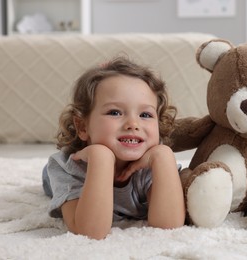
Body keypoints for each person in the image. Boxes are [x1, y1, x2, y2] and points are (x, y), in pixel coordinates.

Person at [42, 57, 185, 240]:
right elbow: (90, 232)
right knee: (48, 175)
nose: (133, 124)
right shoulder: (68, 167)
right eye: (115, 112)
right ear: (83, 127)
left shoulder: (153, 164)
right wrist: (101, 158)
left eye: (145, 114)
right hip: (64, 171)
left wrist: (163, 155)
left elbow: (169, 226)